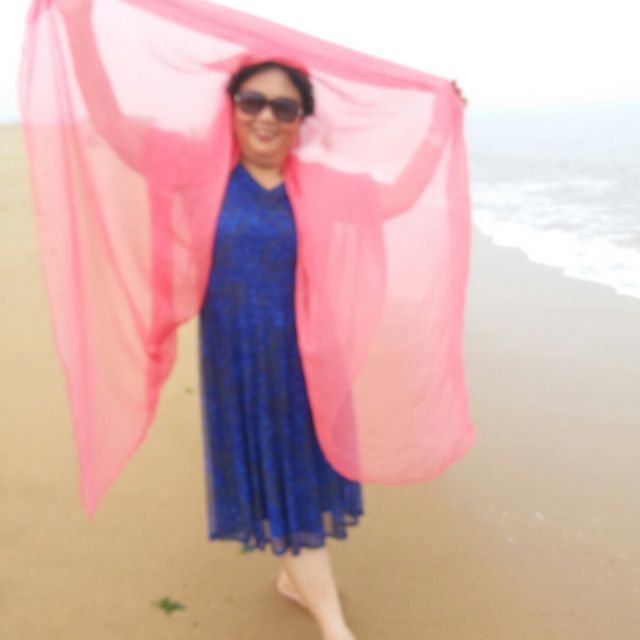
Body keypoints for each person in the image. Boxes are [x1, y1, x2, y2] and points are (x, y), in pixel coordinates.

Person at [47, 2, 468, 639]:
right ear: (233, 106)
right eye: (253, 101)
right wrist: (79, 24)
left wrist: (443, 124)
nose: (266, 116)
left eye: (284, 107)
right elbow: (109, 122)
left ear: (301, 121)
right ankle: (326, 616)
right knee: (280, 484)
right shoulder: (200, 172)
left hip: (306, 364)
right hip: (238, 363)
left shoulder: (319, 187)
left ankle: (304, 593)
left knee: (295, 483)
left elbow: (399, 197)